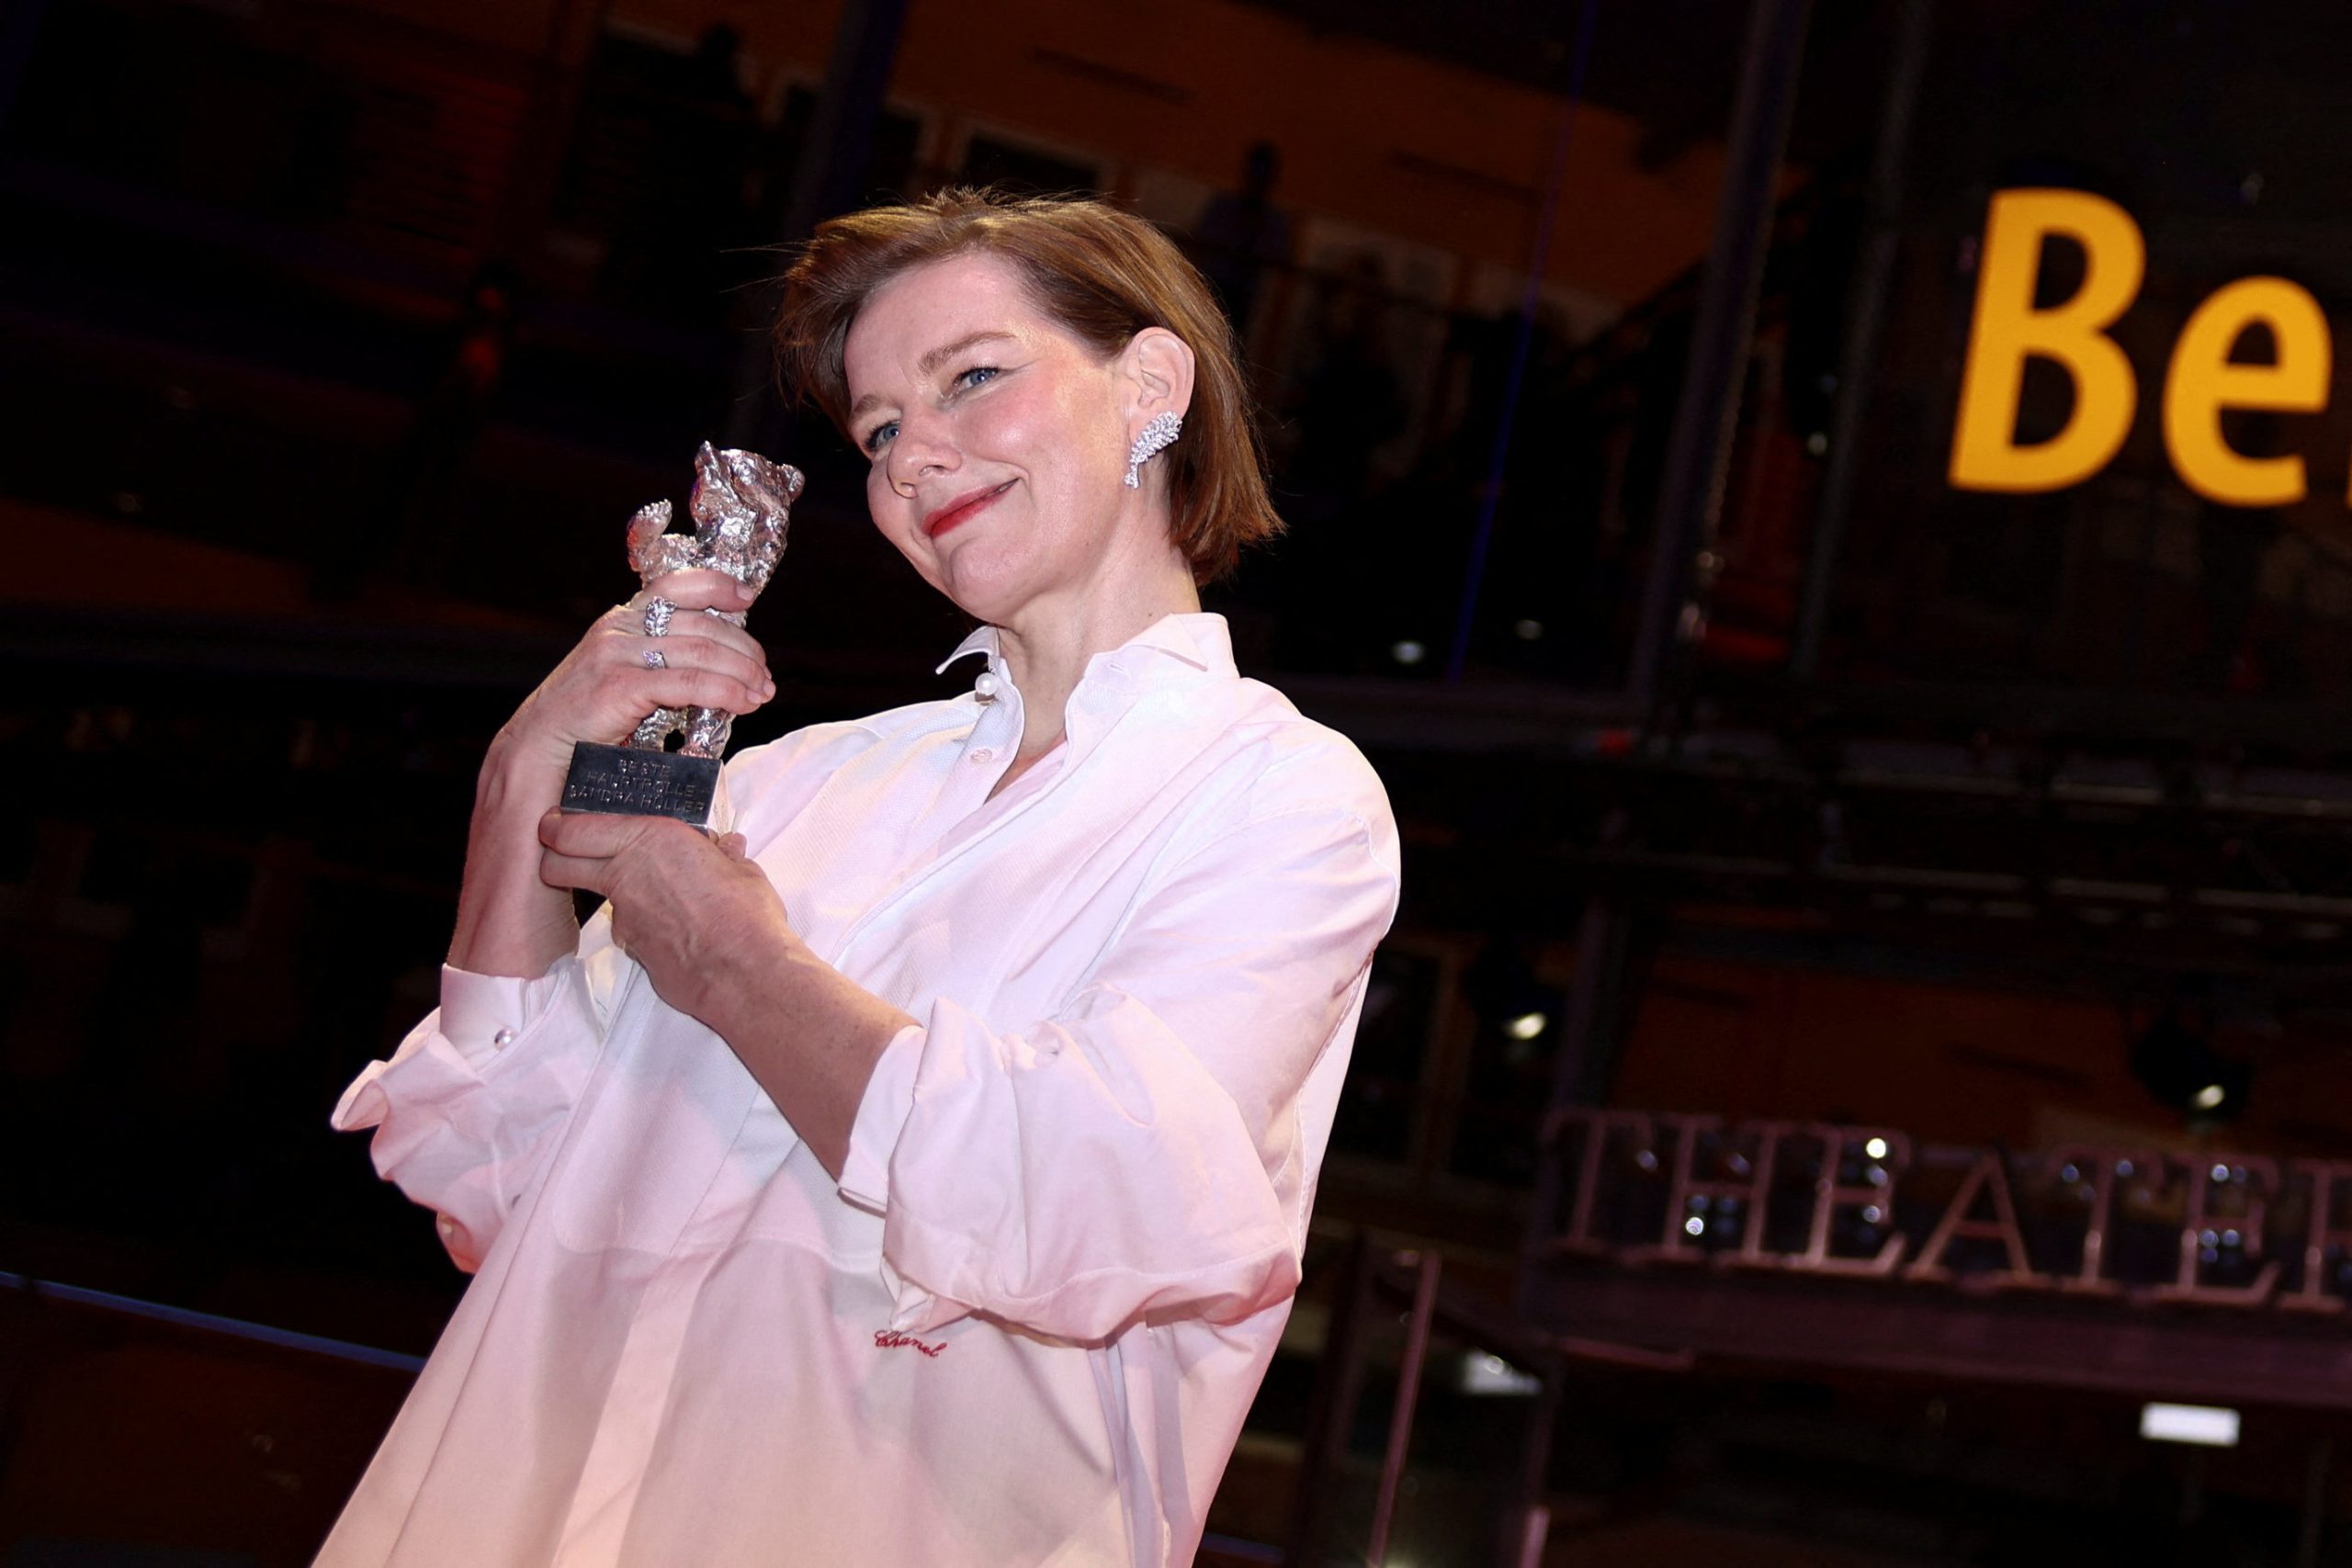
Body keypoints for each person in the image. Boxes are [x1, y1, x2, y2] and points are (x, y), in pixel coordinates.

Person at [319, 188, 1400, 1567]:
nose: (914, 457)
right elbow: (500, 1183)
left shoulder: (1279, 795)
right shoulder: (790, 785)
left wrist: (742, 972)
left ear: (1150, 385)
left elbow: (1092, 1199)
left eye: (973, 377)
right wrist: (520, 787)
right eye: (881, 430)